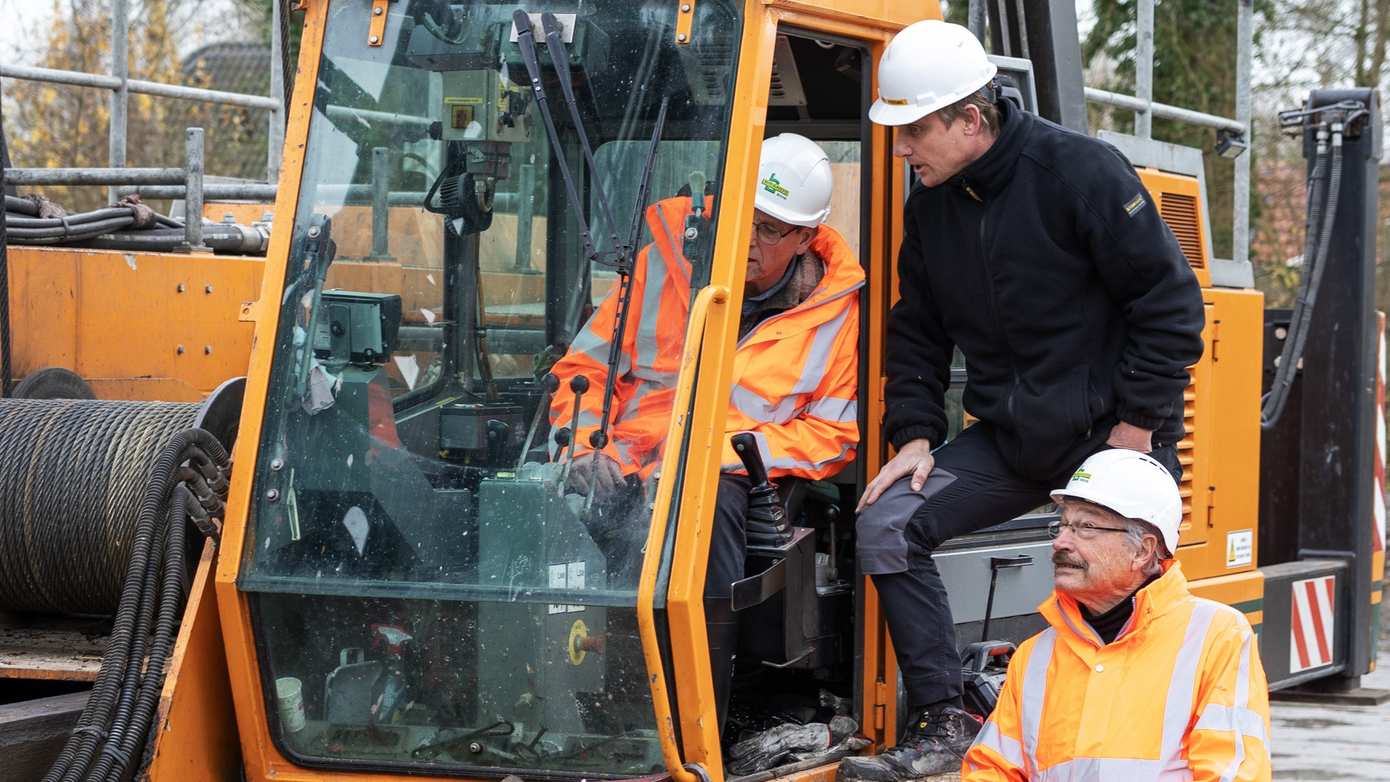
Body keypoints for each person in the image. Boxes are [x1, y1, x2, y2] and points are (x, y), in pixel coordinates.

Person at [839, 20, 1206, 780]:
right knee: (886, 521)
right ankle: (946, 718)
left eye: (913, 134)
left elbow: (1171, 308)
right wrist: (912, 433)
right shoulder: (932, 207)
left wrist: (1136, 430)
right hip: (1010, 439)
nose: (901, 151)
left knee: (1117, 574)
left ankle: (1158, 743)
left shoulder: (1082, 174)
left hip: (1113, 436)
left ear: (970, 120)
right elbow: (917, 330)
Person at [549, 132, 864, 728]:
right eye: (741, 216)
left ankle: (699, 713)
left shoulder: (835, 315)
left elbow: (832, 432)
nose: (747, 238)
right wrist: (587, 448)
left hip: (731, 479)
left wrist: (721, 455)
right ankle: (574, 698)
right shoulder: (660, 266)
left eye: (771, 229)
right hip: (621, 462)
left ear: (804, 239)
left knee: (706, 503)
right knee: (525, 504)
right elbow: (586, 370)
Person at [962, 449, 1271, 780]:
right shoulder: (1035, 656)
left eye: (1087, 527)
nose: (1061, 542)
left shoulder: (1216, 637)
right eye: (1063, 525)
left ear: (1143, 550)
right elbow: (991, 770)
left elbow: (1230, 773)